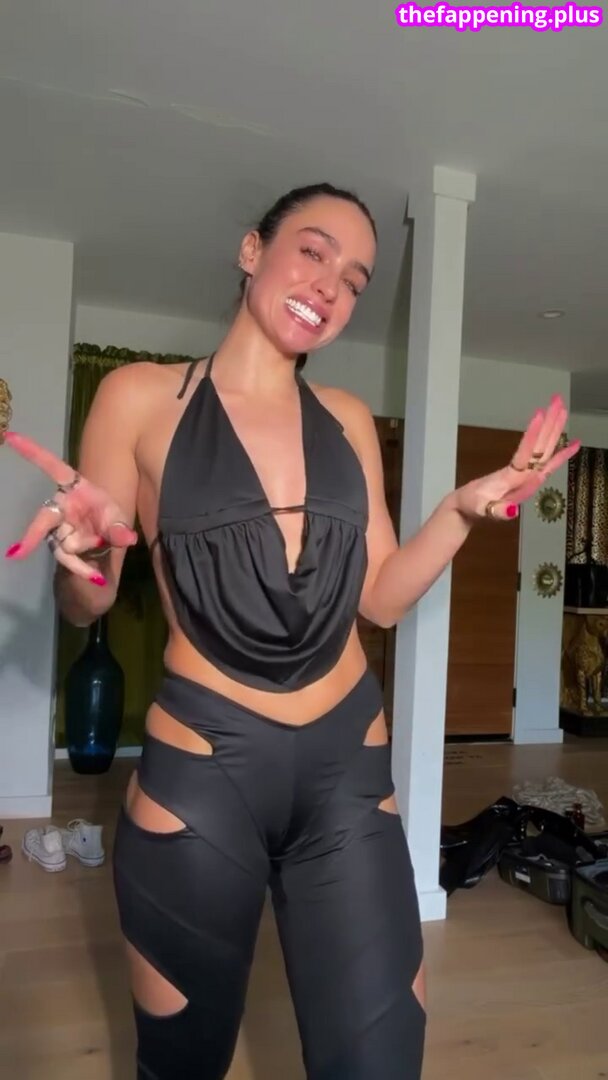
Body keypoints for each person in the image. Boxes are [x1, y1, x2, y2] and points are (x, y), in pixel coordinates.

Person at [4, 181, 578, 1080]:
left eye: (354, 280)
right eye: (312, 251)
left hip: (348, 773)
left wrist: (463, 510)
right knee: (182, 1064)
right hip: (203, 773)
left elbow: (379, 600)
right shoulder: (139, 397)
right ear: (252, 251)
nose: (330, 287)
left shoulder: (347, 420)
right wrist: (79, 563)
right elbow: (92, 605)